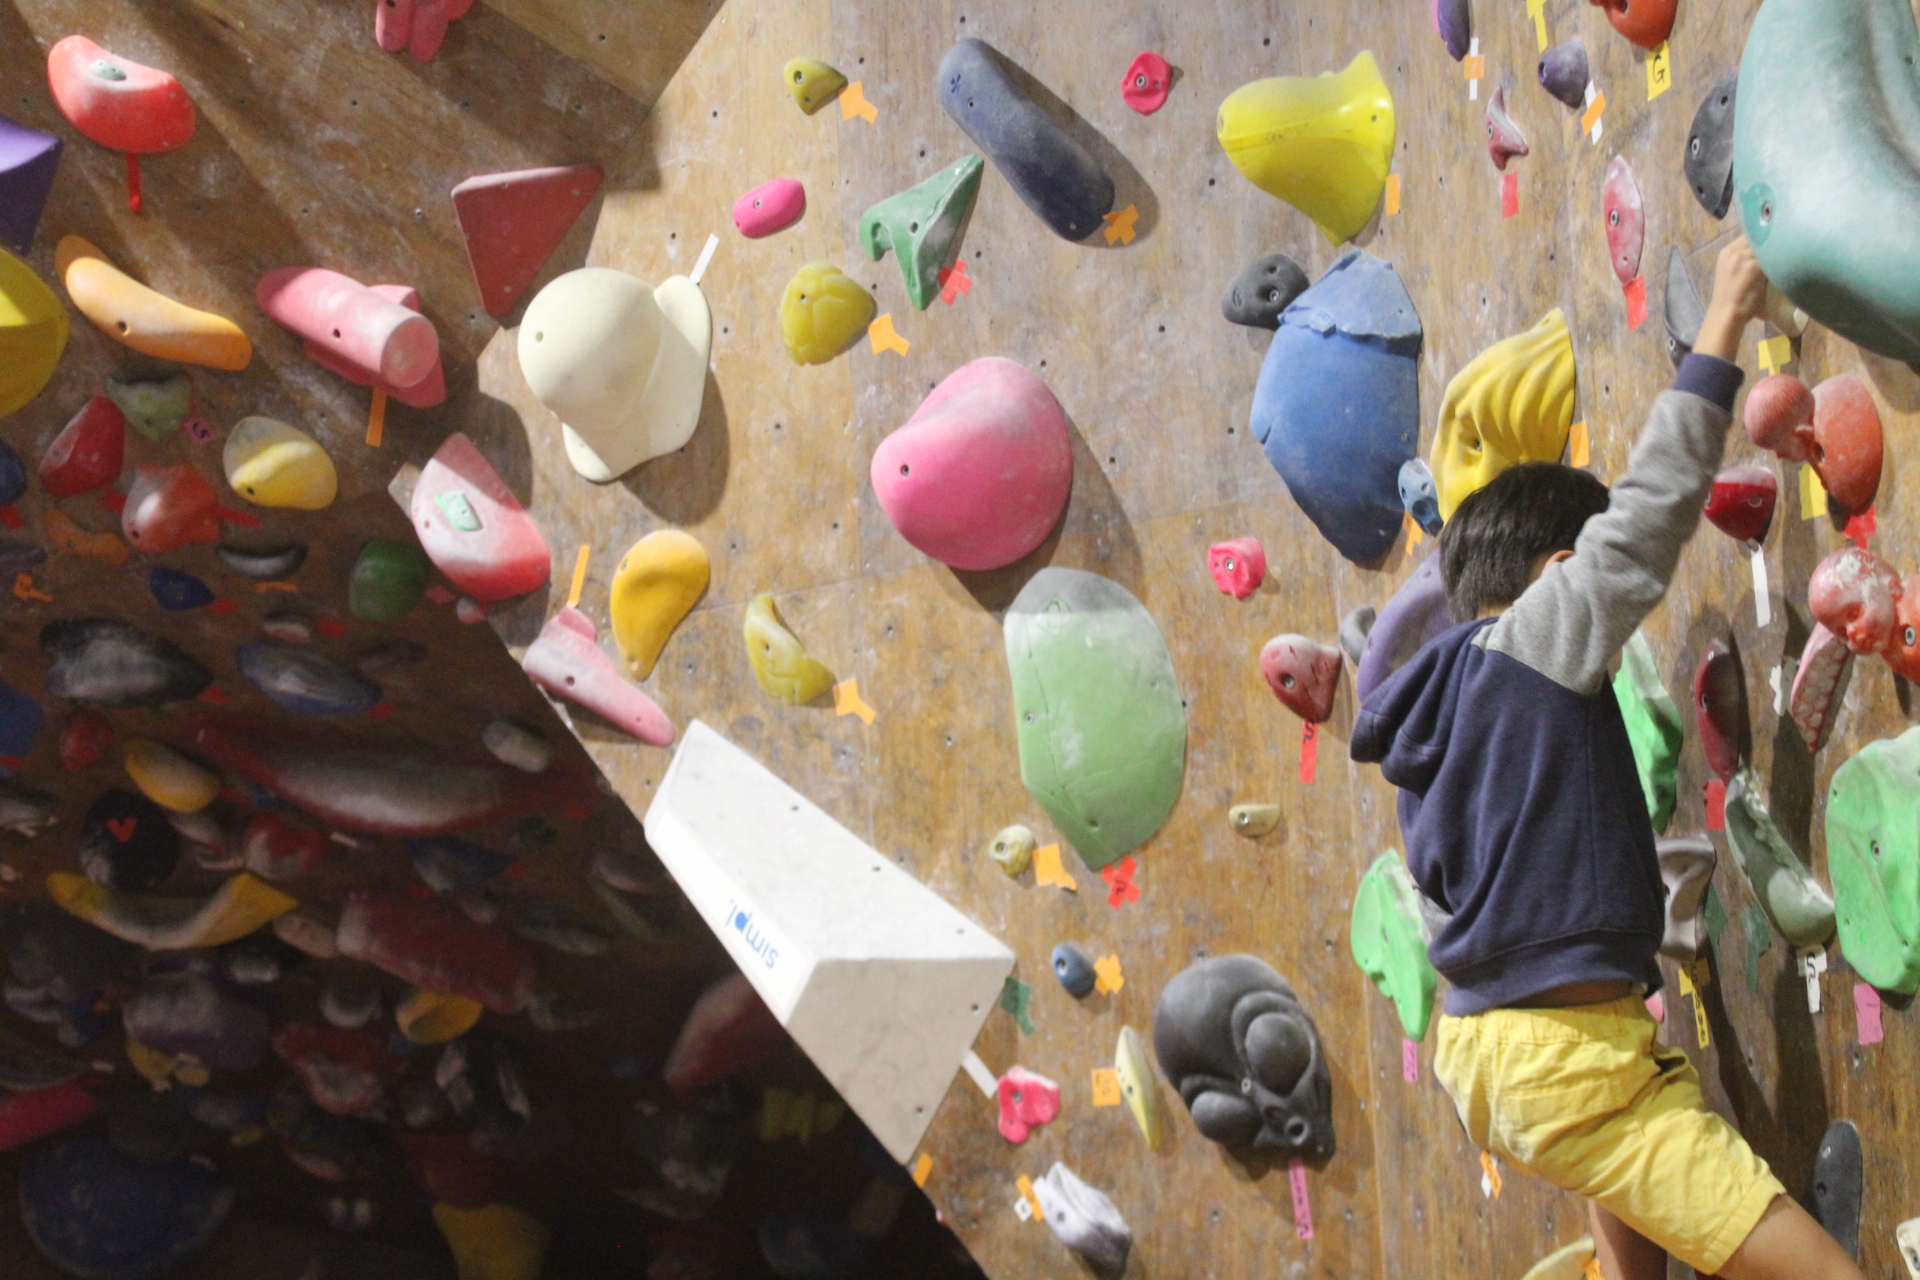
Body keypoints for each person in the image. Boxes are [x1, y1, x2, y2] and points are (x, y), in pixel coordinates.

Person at [1351, 238, 1863, 1280]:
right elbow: (1653, 508)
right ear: (1558, 572)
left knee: (1628, 1133)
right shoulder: (1538, 637)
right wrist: (1724, 316)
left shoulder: (1433, 718)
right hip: (1568, 1062)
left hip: (1498, 1056)